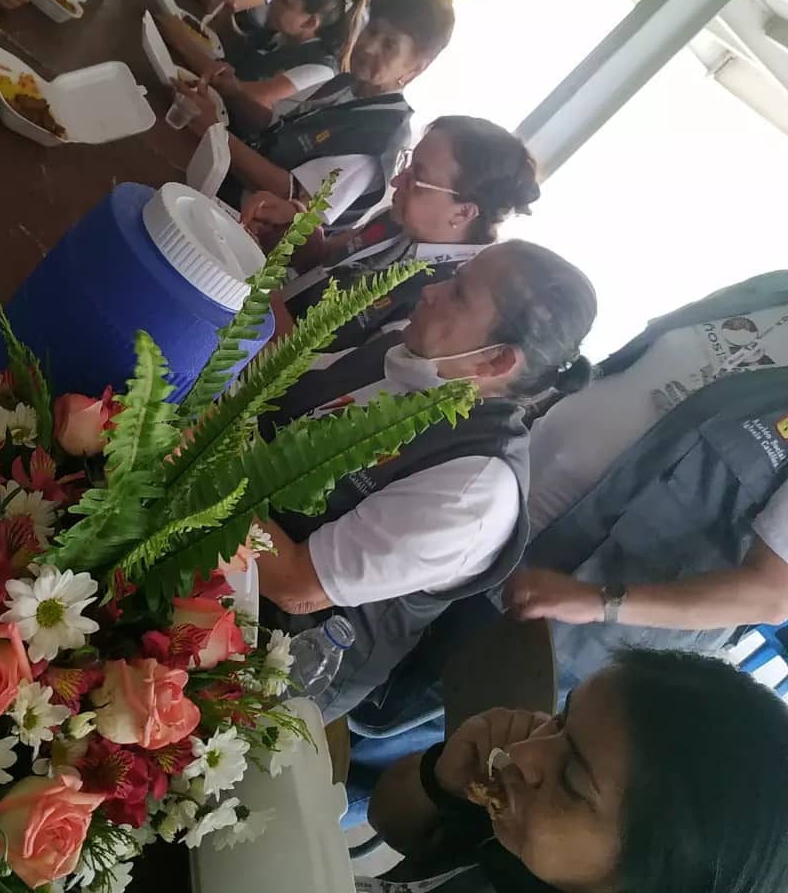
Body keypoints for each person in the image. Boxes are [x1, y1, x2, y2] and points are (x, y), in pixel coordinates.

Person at [253, 240, 597, 721]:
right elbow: (287, 390)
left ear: (496, 361)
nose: (432, 291)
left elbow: (295, 584)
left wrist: (197, 469)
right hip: (229, 542)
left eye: (458, 293)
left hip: (272, 655)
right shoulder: (412, 359)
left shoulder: (474, 487)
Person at [496, 271, 788, 685]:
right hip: (497, 506)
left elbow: (771, 595)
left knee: (435, 707)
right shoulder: (774, 290)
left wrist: (600, 601)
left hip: (559, 611)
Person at [365, 649, 788, 893]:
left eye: (570, 779)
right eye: (560, 721)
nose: (523, 753)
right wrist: (440, 780)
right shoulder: (519, 827)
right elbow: (386, 817)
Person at [177, 0, 454, 232]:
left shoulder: (380, 138)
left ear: (416, 68)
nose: (369, 47)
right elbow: (276, 125)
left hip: (239, 223)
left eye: (389, 45)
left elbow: (288, 193)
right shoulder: (346, 83)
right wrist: (235, 93)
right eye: (372, 31)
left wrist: (215, 132)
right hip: (221, 179)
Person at [242, 117, 541, 345]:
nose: (397, 182)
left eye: (417, 179)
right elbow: (324, 260)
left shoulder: (446, 295)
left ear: (462, 212)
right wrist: (294, 226)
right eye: (406, 165)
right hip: (252, 322)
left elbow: (317, 378)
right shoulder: (400, 220)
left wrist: (259, 295)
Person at [160, 0, 363, 116]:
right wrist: (226, 17)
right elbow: (243, 52)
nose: (272, 1)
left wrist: (182, 43)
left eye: (284, 0)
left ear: (310, 22)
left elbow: (243, 93)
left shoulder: (320, 70)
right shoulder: (285, 32)